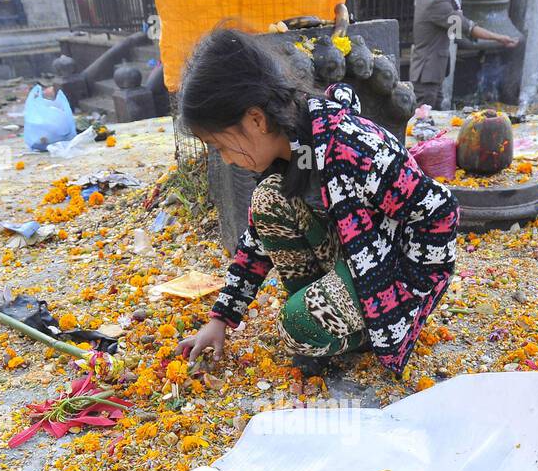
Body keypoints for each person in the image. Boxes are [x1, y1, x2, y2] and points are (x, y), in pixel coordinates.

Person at [177, 29, 460, 377]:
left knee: (296, 326)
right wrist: (221, 319)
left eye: (220, 146)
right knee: (267, 200)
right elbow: (254, 240)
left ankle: (368, 332)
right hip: (353, 261)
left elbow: (439, 209)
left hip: (386, 273)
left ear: (255, 119)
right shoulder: (292, 150)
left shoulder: (353, 148)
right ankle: (331, 310)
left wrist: (406, 297)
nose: (227, 159)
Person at [410, 0, 518, 109]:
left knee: (433, 113)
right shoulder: (437, 1)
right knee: (421, 118)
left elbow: (454, 29)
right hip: (428, 72)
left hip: (430, 71)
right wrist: (499, 38)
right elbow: (467, 27)